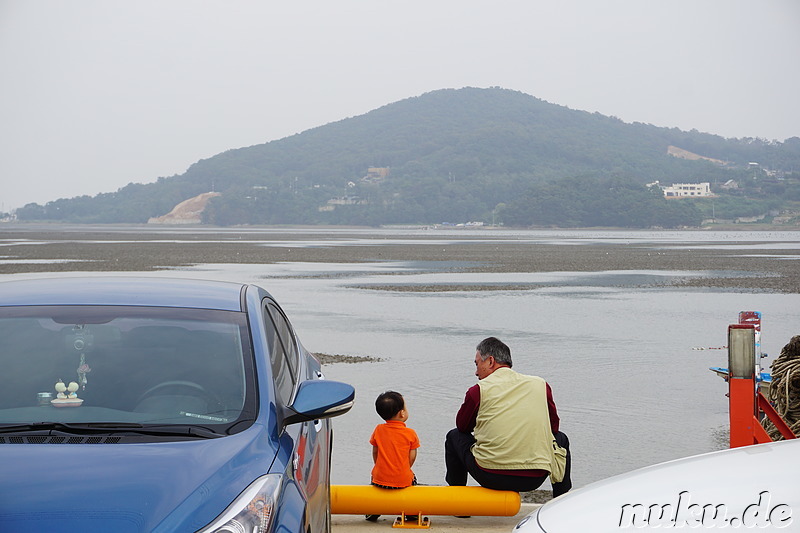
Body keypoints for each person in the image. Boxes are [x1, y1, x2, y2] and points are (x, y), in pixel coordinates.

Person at [444, 337, 572, 497]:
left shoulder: (478, 390)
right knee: (561, 439)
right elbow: (553, 428)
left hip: (490, 475)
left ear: (490, 361)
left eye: (477, 364)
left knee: (454, 436)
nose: (476, 372)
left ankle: (459, 502)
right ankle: (560, 501)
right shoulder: (540, 385)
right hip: (536, 476)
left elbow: (463, 427)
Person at [366, 391, 420, 521]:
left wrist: (379, 466)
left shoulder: (378, 429)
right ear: (402, 413)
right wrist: (403, 469)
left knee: (374, 479)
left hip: (379, 479)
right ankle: (410, 512)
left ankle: (373, 510)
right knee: (413, 480)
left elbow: (375, 452)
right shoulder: (410, 433)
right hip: (402, 480)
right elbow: (411, 458)